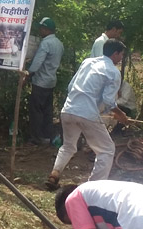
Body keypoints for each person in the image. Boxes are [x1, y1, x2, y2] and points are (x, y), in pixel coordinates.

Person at [45, 39, 128, 190]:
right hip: (87, 114)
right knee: (107, 150)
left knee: (68, 146)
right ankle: (92, 189)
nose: (121, 58)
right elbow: (108, 100)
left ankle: (54, 174)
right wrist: (121, 114)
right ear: (115, 53)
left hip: (68, 110)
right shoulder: (113, 72)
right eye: (121, 54)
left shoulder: (87, 62)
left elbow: (71, 86)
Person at [25, 17, 64, 145]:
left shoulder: (45, 43)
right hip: (51, 81)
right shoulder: (59, 43)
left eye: (41, 28)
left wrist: (28, 73)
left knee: (36, 110)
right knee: (47, 110)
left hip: (40, 81)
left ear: (46, 29)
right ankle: (48, 135)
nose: (40, 30)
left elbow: (38, 62)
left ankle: (36, 137)